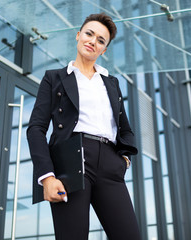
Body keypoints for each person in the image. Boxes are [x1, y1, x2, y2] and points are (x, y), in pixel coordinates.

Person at [27, 13, 141, 240]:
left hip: (110, 163)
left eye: (101, 40)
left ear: (104, 50)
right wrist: (47, 177)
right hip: (71, 160)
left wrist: (124, 159)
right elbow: (36, 128)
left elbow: (125, 129)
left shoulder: (111, 82)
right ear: (78, 35)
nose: (93, 41)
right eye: (89, 34)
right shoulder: (54, 78)